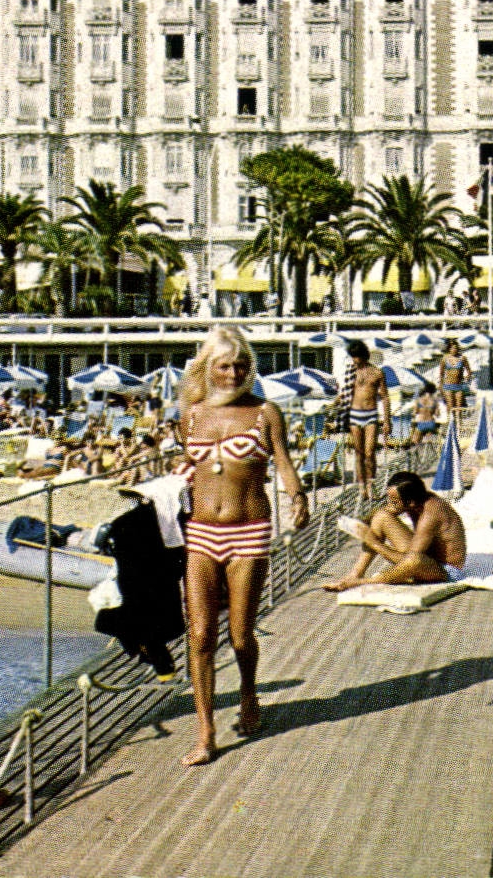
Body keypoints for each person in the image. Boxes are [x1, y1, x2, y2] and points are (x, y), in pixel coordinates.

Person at [176, 326, 309, 766]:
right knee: (198, 636)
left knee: (239, 634)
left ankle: (249, 694)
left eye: (241, 365)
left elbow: (284, 462)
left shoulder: (265, 412)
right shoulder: (191, 414)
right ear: (208, 369)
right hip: (200, 532)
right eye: (224, 365)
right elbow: (191, 465)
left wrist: (298, 496)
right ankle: (205, 730)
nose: (233, 373)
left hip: (249, 531)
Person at [325, 472, 467, 591]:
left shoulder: (431, 513)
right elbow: (384, 513)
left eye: (394, 501)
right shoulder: (416, 500)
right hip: (428, 556)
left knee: (413, 561)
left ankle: (363, 582)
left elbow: (411, 560)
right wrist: (360, 523)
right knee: (381, 517)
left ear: (410, 502)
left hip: (447, 571)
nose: (390, 504)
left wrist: (373, 542)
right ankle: (355, 574)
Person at [335, 339, 390, 497]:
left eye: (357, 356)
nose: (355, 360)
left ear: (364, 355)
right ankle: (361, 485)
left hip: (371, 414)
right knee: (358, 452)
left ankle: (371, 483)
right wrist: (333, 407)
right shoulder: (351, 372)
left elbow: (385, 397)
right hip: (354, 414)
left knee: (370, 451)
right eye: (353, 357)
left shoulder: (378, 373)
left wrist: (387, 420)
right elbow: (344, 394)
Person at [438, 340, 472, 417]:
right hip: (448, 386)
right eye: (452, 348)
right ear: (449, 349)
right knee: (450, 407)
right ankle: (450, 425)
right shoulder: (445, 358)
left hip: (459, 386)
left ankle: (459, 426)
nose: (454, 350)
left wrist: (467, 377)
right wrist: (440, 386)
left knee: (459, 408)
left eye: (456, 348)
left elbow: (469, 371)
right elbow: (441, 374)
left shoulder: (462, 358)